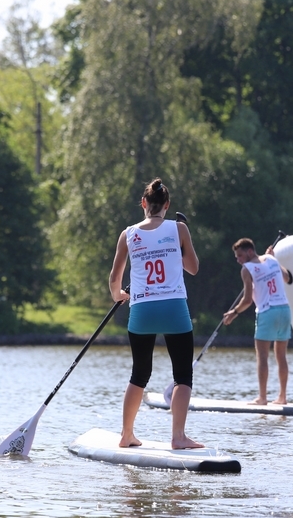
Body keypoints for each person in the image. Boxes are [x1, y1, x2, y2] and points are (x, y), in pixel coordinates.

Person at [108, 178, 203, 449]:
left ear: (144, 204)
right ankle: (178, 437)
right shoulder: (179, 228)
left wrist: (119, 296)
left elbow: (115, 277)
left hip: (142, 309)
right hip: (174, 308)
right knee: (183, 375)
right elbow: (193, 268)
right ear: (167, 205)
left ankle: (126, 435)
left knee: (139, 373)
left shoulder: (128, 234)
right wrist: (179, 245)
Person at [222, 238, 293, 405]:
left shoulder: (247, 269)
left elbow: (247, 300)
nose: (238, 259)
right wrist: (273, 259)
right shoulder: (272, 259)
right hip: (284, 310)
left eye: (240, 255)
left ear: (250, 252)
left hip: (267, 312)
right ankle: (282, 397)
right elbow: (287, 277)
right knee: (281, 356)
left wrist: (234, 313)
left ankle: (262, 398)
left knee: (262, 357)